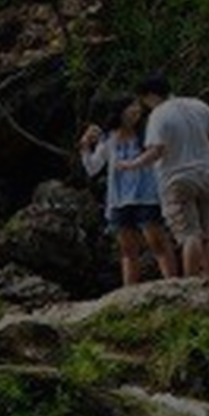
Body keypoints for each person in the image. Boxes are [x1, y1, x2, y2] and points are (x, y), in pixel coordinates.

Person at [120, 75, 209, 280]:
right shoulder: (197, 105)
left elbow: (157, 150)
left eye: (144, 99)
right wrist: (206, 154)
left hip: (176, 179)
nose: (144, 105)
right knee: (207, 237)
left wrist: (131, 164)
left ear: (152, 95)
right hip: (205, 176)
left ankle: (188, 284)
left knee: (189, 235)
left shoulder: (159, 114)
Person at [79, 102, 178, 286]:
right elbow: (92, 168)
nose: (136, 110)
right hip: (119, 200)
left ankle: (173, 285)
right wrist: (85, 145)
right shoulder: (109, 138)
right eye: (130, 107)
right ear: (119, 111)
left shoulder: (148, 132)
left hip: (148, 196)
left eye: (137, 107)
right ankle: (129, 293)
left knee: (158, 244)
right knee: (127, 251)